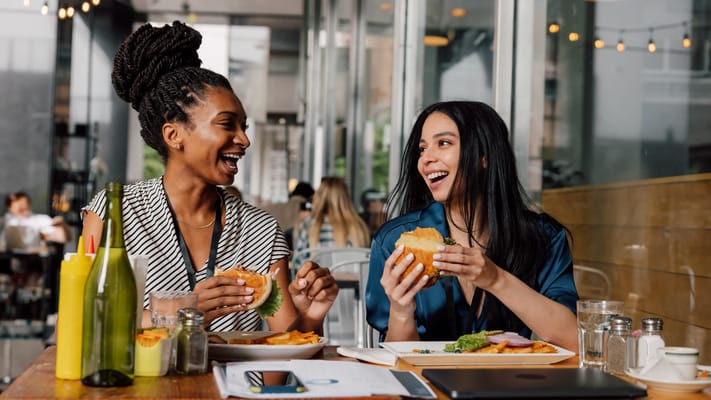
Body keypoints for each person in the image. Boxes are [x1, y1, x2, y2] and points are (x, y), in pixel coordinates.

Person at [81, 21, 338, 334]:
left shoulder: (261, 230)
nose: (244, 140)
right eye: (227, 125)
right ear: (174, 135)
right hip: (142, 383)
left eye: (244, 127)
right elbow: (88, 324)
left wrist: (311, 316)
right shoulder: (114, 212)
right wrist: (181, 311)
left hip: (237, 384)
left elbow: (286, 351)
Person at [365, 101, 578, 351]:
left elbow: (573, 339)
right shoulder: (393, 241)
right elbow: (396, 362)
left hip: (511, 385)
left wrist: (495, 278)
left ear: (484, 156)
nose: (426, 159)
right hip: (427, 386)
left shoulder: (543, 237)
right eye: (422, 149)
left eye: (443, 143)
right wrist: (401, 311)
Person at [293, 177, 370, 267]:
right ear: (346, 198)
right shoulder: (359, 228)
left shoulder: (309, 225)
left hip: (317, 279)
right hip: (353, 280)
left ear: (319, 197)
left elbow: (298, 264)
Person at [3, 191, 71, 248]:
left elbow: (63, 237)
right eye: (16, 201)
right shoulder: (5, 219)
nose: (23, 204)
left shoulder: (39, 220)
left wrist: (61, 224)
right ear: (10, 205)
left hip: (29, 260)